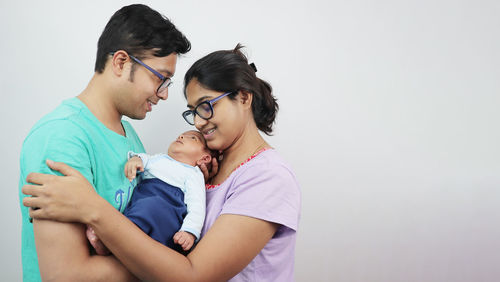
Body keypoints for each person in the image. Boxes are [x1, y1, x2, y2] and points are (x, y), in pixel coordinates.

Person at [23, 44, 301, 281]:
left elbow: (193, 274)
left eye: (206, 106)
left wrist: (92, 208)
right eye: (193, 112)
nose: (199, 122)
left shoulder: (269, 178)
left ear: (243, 97)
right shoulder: (204, 170)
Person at [18, 4, 192, 281]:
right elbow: (66, 275)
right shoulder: (62, 137)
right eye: (160, 78)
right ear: (121, 62)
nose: (164, 95)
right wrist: (163, 264)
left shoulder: (128, 134)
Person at [88, 130, 213, 255]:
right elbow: (143, 159)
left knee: (149, 217)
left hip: (169, 208)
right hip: (144, 198)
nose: (181, 136)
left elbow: (197, 207)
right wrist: (136, 160)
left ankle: (112, 243)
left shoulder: (194, 174)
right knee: (134, 216)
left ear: (204, 158)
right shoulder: (159, 158)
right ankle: (110, 244)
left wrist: (190, 232)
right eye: (181, 135)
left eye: (193, 138)